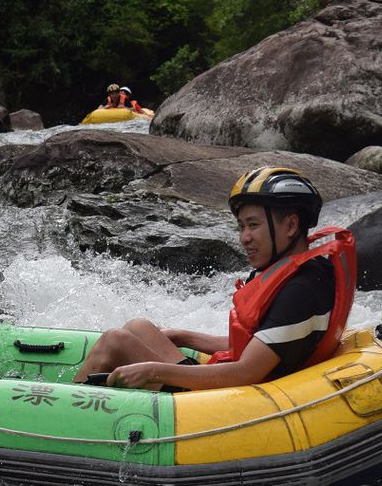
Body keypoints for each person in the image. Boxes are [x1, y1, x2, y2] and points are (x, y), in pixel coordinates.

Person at [71, 166, 356, 391]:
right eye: (241, 226)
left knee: (114, 341)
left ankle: (67, 417)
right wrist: (184, 336)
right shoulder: (299, 271)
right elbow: (260, 346)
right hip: (235, 385)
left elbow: (246, 371)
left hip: (231, 401)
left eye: (253, 225)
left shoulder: (301, 289)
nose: (244, 238)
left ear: (291, 225)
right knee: (139, 326)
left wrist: (151, 370)